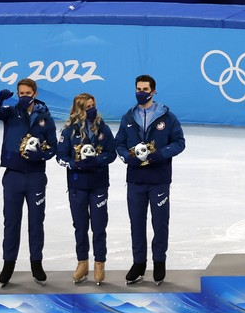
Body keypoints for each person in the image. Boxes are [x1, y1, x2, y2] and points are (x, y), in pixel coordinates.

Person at [116, 74, 185, 285]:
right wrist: (128, 157)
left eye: (145, 89)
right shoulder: (128, 118)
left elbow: (180, 143)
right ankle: (138, 264)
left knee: (160, 223)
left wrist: (160, 154)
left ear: (153, 91)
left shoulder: (167, 117)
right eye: (138, 88)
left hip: (159, 179)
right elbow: (118, 144)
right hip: (136, 179)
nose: (141, 92)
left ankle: (159, 262)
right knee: (136, 224)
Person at [0, 78, 57, 286]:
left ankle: (37, 263)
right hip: (13, 176)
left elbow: (53, 148)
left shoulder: (45, 117)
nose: (23, 96)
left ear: (34, 93)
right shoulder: (10, 112)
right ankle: (8, 264)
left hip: (36, 176)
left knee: (36, 223)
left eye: (27, 93)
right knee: (11, 222)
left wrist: (40, 156)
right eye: (21, 93)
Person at [58, 93, 117, 284]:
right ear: (78, 110)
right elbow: (60, 156)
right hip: (77, 185)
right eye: (87, 107)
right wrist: (75, 165)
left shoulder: (103, 129)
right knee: (80, 226)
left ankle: (100, 264)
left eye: (93, 105)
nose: (91, 109)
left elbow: (112, 153)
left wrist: (97, 161)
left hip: (99, 184)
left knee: (99, 227)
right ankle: (82, 263)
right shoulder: (68, 131)